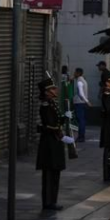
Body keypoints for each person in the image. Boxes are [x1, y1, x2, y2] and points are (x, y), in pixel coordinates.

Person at [37, 77, 69, 211]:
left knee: (55, 172)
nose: (55, 90)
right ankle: (48, 202)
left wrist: (64, 117)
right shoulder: (46, 106)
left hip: (54, 142)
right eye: (52, 89)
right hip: (49, 143)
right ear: (46, 92)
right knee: (49, 174)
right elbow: (51, 125)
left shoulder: (52, 104)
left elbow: (57, 121)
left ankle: (53, 200)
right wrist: (62, 134)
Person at [73, 68, 90, 142]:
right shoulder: (83, 80)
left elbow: (81, 93)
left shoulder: (79, 81)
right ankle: (81, 136)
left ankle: (81, 137)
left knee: (81, 120)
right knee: (82, 120)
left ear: (78, 73)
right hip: (82, 103)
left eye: (75, 72)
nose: (74, 73)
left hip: (79, 103)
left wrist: (87, 101)